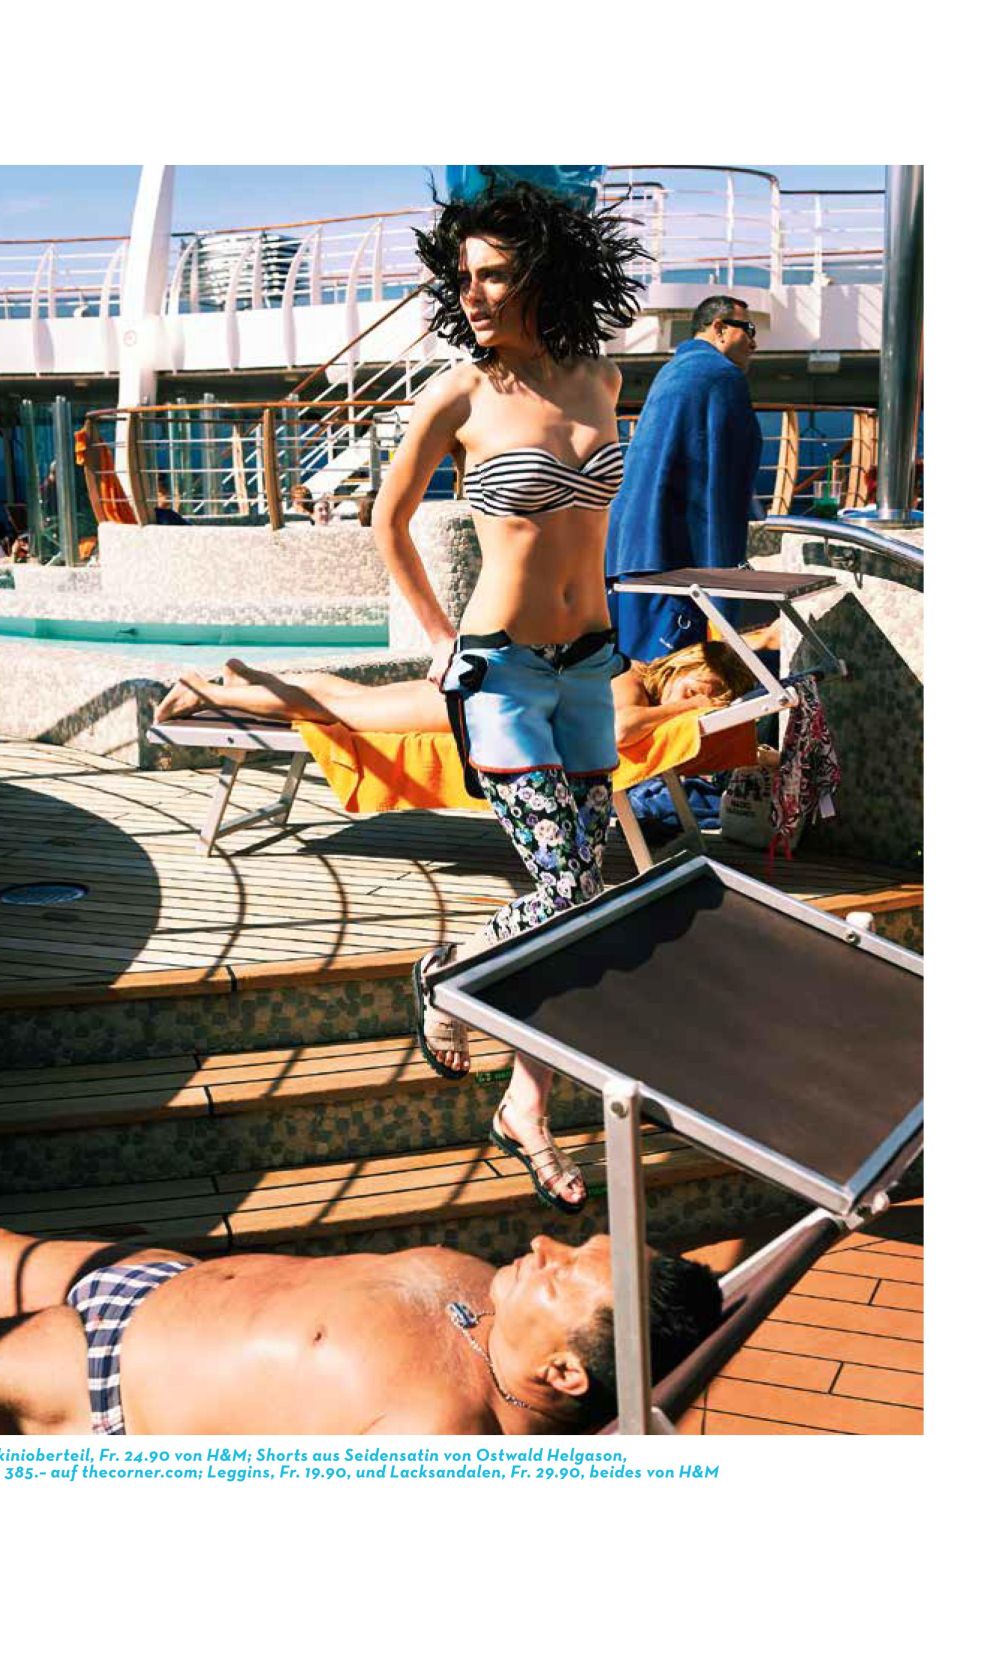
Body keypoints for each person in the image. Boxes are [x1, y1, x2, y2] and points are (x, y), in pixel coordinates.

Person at [361, 177, 648, 1216]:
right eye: (464, 277)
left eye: (493, 275)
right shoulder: (459, 394)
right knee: (569, 892)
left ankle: (526, 1102)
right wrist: (440, 640)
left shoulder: (600, 377)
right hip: (503, 671)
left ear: (545, 275)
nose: (473, 294)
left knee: (574, 899)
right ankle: (448, 969)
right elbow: (388, 521)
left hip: (588, 668)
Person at [0, 1225, 721, 1436]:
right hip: (156, 1277)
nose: (542, 1244)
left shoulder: (439, 1440)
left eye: (560, 1274)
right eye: (572, 1244)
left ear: (563, 1372)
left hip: (100, 1378)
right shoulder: (492, 1298)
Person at [154, 638, 755, 743]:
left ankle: (251, 680)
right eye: (703, 688)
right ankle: (207, 692)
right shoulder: (634, 688)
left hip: (479, 697)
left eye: (714, 698)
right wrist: (682, 711)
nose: (701, 699)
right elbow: (619, 730)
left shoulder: (635, 669)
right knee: (337, 711)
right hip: (473, 708)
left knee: (349, 695)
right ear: (688, 665)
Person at [605, 294, 763, 662]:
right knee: (678, 675)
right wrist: (724, 580)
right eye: (749, 329)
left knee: (632, 671)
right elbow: (726, 477)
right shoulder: (722, 376)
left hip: (629, 550)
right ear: (719, 328)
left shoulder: (673, 371)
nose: (754, 343)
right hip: (673, 558)